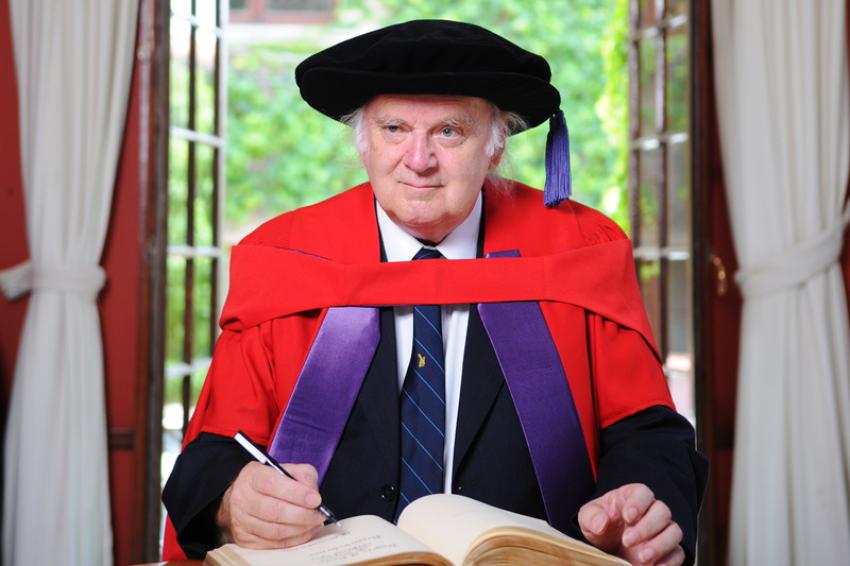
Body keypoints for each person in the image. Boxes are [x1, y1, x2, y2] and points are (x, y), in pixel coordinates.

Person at [162, 19, 707, 566]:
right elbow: (212, 455)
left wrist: (642, 504)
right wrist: (233, 502)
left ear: (495, 147)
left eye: (449, 131)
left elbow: (647, 435)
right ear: (363, 143)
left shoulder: (575, 253)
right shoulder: (288, 260)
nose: (418, 159)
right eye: (394, 128)